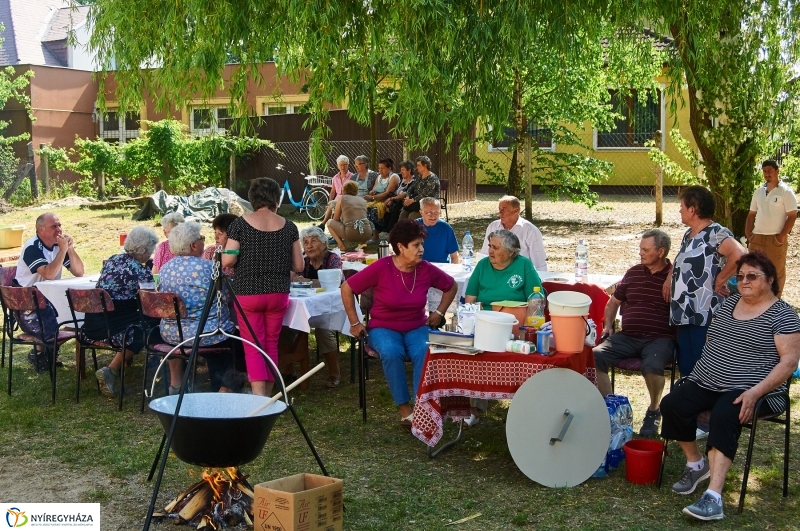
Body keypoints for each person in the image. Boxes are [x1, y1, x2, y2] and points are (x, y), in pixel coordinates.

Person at [659, 251, 800, 521]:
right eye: (740, 277)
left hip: (756, 390)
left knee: (725, 413)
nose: (744, 281)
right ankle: (696, 464)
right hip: (709, 381)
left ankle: (713, 497)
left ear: (770, 279)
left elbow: (789, 363)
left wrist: (755, 392)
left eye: (752, 276)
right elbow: (713, 339)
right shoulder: (728, 304)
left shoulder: (784, 315)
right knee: (672, 404)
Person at [341, 220, 457, 428]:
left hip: (416, 325)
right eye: (416, 245)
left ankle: (422, 408)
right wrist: (355, 322)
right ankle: (406, 412)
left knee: (424, 350)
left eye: (422, 244)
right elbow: (347, 288)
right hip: (383, 326)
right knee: (391, 351)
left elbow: (451, 286)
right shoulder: (382, 267)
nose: (422, 249)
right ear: (401, 247)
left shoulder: (425, 269)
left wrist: (440, 311)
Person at [223, 178, 303, 396]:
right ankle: (267, 395)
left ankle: (259, 399)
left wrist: (227, 253)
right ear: (276, 198)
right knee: (271, 344)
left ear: (252, 198)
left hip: (248, 293)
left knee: (253, 346)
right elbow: (299, 265)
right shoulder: (289, 227)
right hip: (278, 293)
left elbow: (228, 261)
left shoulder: (239, 225)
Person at [593, 229, 676, 437]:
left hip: (660, 338)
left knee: (652, 365)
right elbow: (613, 302)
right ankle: (612, 410)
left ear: (661, 251)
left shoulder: (674, 277)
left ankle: (654, 410)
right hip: (628, 336)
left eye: (645, 249)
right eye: (640, 248)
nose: (640, 253)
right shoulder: (633, 273)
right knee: (595, 355)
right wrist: (608, 325)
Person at [664, 185, 746, 378]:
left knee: (704, 362)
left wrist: (720, 280)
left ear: (693, 209)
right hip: (685, 310)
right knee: (686, 363)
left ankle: (705, 405)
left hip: (705, 311)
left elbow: (740, 254)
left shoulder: (715, 233)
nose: (680, 210)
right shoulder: (689, 234)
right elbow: (681, 261)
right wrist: (669, 278)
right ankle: (689, 405)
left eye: (682, 206)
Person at [159, 222, 236, 394]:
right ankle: (223, 387)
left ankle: (176, 384)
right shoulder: (208, 268)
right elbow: (227, 296)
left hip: (171, 333)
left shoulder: (165, 269)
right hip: (205, 334)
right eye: (201, 238)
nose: (204, 241)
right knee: (235, 338)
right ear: (194, 245)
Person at [91, 226, 160, 397]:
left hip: (94, 325)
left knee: (144, 324)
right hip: (117, 329)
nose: (150, 255)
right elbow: (151, 301)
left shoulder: (112, 260)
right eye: (150, 250)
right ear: (143, 249)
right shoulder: (139, 269)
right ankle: (112, 370)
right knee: (151, 327)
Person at [14, 212, 85, 370]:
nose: (59, 229)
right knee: (72, 316)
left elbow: (79, 272)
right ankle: (43, 352)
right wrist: (62, 250)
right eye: (54, 226)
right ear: (41, 229)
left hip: (49, 298)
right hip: (28, 303)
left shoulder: (57, 246)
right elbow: (49, 274)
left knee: (81, 315)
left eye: (60, 225)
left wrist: (70, 249)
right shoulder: (32, 247)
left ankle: (46, 351)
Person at [292, 226, 344, 387]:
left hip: (329, 306)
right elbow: (293, 277)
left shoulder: (333, 258)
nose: (309, 246)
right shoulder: (303, 260)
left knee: (323, 329)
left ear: (323, 243)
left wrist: (305, 281)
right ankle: (287, 369)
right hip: (307, 305)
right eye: (305, 242)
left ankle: (334, 372)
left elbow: (334, 282)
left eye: (313, 241)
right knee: (289, 325)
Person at [744, 159, 797, 298]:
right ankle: (756, 300)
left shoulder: (786, 192)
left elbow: (792, 215)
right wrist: (748, 233)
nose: (767, 174)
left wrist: (781, 236)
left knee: (776, 272)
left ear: (777, 171)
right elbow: (751, 214)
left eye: (770, 170)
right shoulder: (758, 192)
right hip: (757, 238)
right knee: (754, 271)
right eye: (765, 171)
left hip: (775, 239)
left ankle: (774, 303)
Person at [465, 230, 542, 307]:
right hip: (484, 316)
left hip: (514, 317)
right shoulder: (482, 265)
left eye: (495, 248)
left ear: (511, 252)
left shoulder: (524, 265)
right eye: (490, 246)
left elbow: (536, 301)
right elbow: (470, 301)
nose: (490, 251)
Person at [480, 195, 547, 271]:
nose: (500, 212)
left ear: (516, 210)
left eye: (504, 209)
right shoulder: (493, 226)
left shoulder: (530, 230)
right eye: (499, 209)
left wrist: (540, 280)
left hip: (520, 274)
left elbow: (539, 262)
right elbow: (485, 254)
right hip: (496, 273)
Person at [327, 180, 375, 250]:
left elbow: (336, 219)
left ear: (344, 190)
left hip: (351, 233)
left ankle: (341, 246)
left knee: (329, 223)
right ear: (356, 190)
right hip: (367, 233)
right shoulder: (362, 200)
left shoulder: (342, 198)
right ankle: (362, 243)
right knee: (365, 221)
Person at [416, 197, 460, 263]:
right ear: (421, 212)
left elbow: (454, 255)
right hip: (420, 266)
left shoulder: (446, 228)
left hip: (442, 267)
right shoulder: (414, 227)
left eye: (436, 212)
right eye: (429, 213)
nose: (433, 216)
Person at [317, 155, 354, 229]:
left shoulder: (352, 176)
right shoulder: (335, 178)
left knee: (332, 205)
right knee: (331, 204)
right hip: (337, 199)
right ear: (338, 166)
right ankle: (327, 227)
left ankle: (323, 224)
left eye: (345, 165)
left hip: (347, 199)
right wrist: (329, 202)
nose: (343, 167)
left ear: (348, 165)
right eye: (341, 165)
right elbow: (333, 192)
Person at [399, 156, 440, 221]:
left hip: (428, 205)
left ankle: (414, 231)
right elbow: (411, 188)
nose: (416, 167)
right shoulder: (419, 177)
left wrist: (412, 200)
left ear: (425, 165)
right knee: (403, 214)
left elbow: (425, 194)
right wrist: (408, 197)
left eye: (418, 165)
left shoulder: (432, 178)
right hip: (417, 204)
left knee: (412, 216)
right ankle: (401, 231)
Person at [364, 158, 400, 229]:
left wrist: (372, 197)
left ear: (389, 168)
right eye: (379, 168)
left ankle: (380, 230)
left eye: (382, 168)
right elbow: (373, 189)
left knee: (373, 211)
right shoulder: (379, 177)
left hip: (387, 202)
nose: (380, 170)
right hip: (376, 201)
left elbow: (387, 194)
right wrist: (372, 192)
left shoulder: (394, 177)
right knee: (364, 209)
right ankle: (373, 235)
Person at [202, 213, 238, 277]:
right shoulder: (210, 251)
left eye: (220, 233)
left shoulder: (241, 254)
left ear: (233, 234)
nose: (216, 237)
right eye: (215, 232)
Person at [384, 160, 416, 231]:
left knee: (394, 215)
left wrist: (392, 199)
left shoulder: (414, 181)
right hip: (396, 204)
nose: (401, 172)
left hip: (403, 205)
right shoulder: (402, 180)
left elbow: (405, 194)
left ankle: (392, 236)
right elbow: (396, 192)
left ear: (409, 170)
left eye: (403, 170)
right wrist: (392, 200)